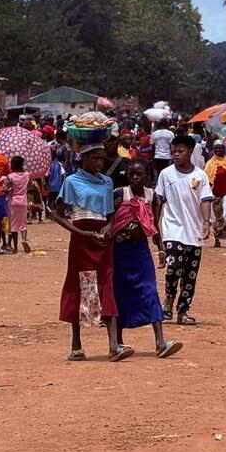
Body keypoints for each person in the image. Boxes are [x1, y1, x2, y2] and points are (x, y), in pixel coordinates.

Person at [55, 144, 132, 362]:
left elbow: (110, 214)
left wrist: (109, 227)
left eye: (102, 160)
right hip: (81, 239)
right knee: (79, 284)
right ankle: (76, 344)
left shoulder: (107, 182)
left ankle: (113, 345)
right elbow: (58, 214)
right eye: (96, 159)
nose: (100, 163)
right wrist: (80, 232)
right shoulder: (71, 182)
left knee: (106, 284)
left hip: (102, 240)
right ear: (85, 158)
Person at [110, 160, 182, 358]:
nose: (134, 177)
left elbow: (154, 226)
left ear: (147, 176)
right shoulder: (118, 195)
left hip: (140, 251)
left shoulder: (154, 198)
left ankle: (160, 342)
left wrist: (161, 249)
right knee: (119, 294)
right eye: (131, 174)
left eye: (139, 174)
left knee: (149, 290)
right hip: (119, 251)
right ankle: (118, 343)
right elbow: (110, 222)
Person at [155, 135, 213, 326]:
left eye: (181, 151)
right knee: (174, 268)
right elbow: (159, 201)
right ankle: (169, 298)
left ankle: (183, 311)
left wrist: (206, 222)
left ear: (190, 151)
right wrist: (156, 226)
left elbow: (205, 200)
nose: (176, 155)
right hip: (173, 229)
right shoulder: (166, 174)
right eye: (174, 151)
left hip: (194, 232)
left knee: (190, 275)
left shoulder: (200, 175)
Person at [205, 140, 226, 249]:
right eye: (216, 148)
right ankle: (217, 239)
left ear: (224, 149)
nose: (219, 150)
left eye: (221, 148)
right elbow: (206, 180)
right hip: (215, 194)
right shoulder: (210, 164)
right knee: (215, 217)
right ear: (213, 150)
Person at [4, 155, 32, 254]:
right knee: (23, 223)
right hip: (23, 201)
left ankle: (15, 247)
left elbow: (5, 189)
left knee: (13, 226)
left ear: (14, 165)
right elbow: (29, 185)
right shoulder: (27, 175)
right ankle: (24, 239)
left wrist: (7, 190)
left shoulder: (10, 177)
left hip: (13, 202)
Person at [46, 147, 66, 216]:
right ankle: (58, 213)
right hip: (58, 186)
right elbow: (63, 174)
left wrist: (46, 185)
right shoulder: (59, 164)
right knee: (57, 201)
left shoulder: (48, 165)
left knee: (49, 202)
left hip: (51, 186)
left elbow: (47, 175)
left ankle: (53, 213)